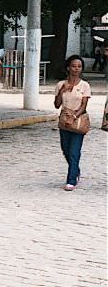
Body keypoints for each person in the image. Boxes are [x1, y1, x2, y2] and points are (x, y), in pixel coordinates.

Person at [54, 55, 91, 191]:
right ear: (68, 67)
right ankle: (75, 170)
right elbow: (57, 105)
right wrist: (62, 91)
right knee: (66, 150)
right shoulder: (60, 84)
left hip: (78, 120)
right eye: (74, 66)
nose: (76, 69)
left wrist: (74, 116)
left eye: (79, 66)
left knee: (74, 151)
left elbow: (84, 105)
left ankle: (71, 180)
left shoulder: (84, 85)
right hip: (64, 119)